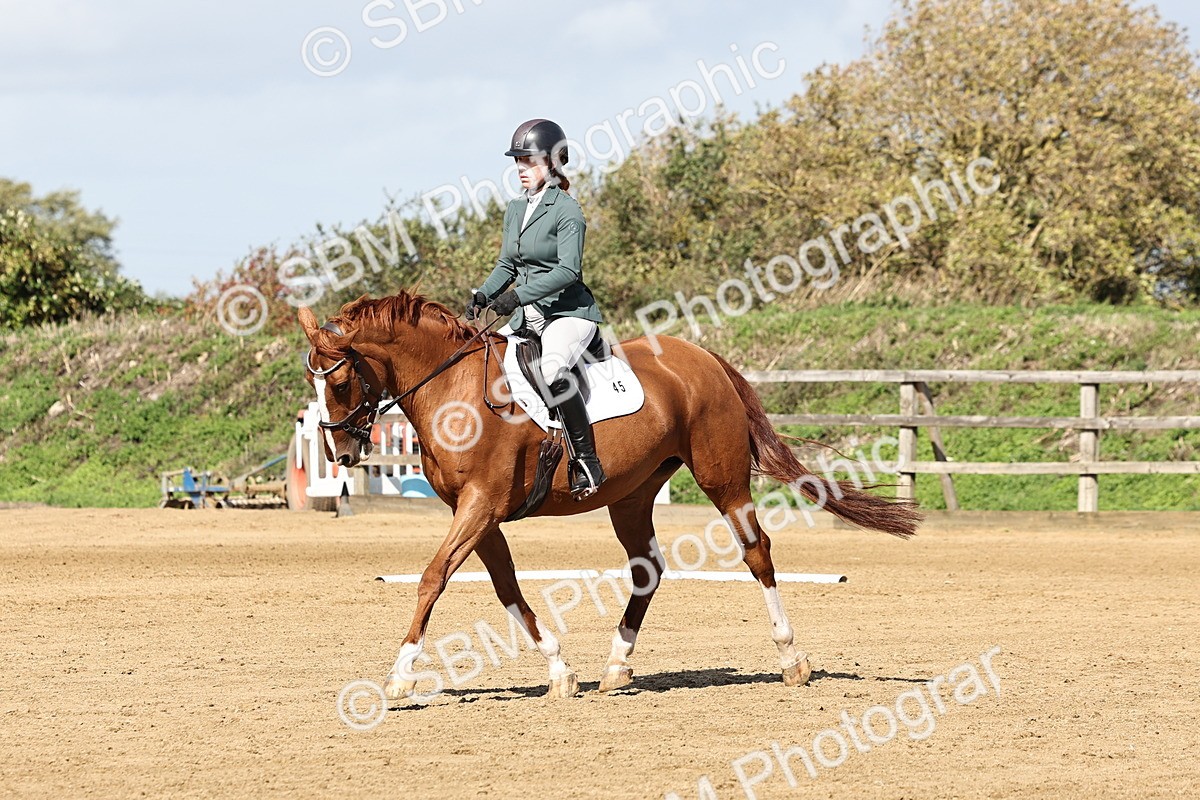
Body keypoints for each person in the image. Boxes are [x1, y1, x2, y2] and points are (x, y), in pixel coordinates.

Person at [466, 118, 606, 499]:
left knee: (552, 369)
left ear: (553, 164)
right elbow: (507, 265)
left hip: (568, 313)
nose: (521, 170)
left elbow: (567, 270)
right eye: (518, 163)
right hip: (527, 317)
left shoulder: (568, 211)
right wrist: (484, 294)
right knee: (486, 362)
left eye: (529, 162)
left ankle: (587, 462)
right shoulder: (515, 210)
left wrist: (518, 296)